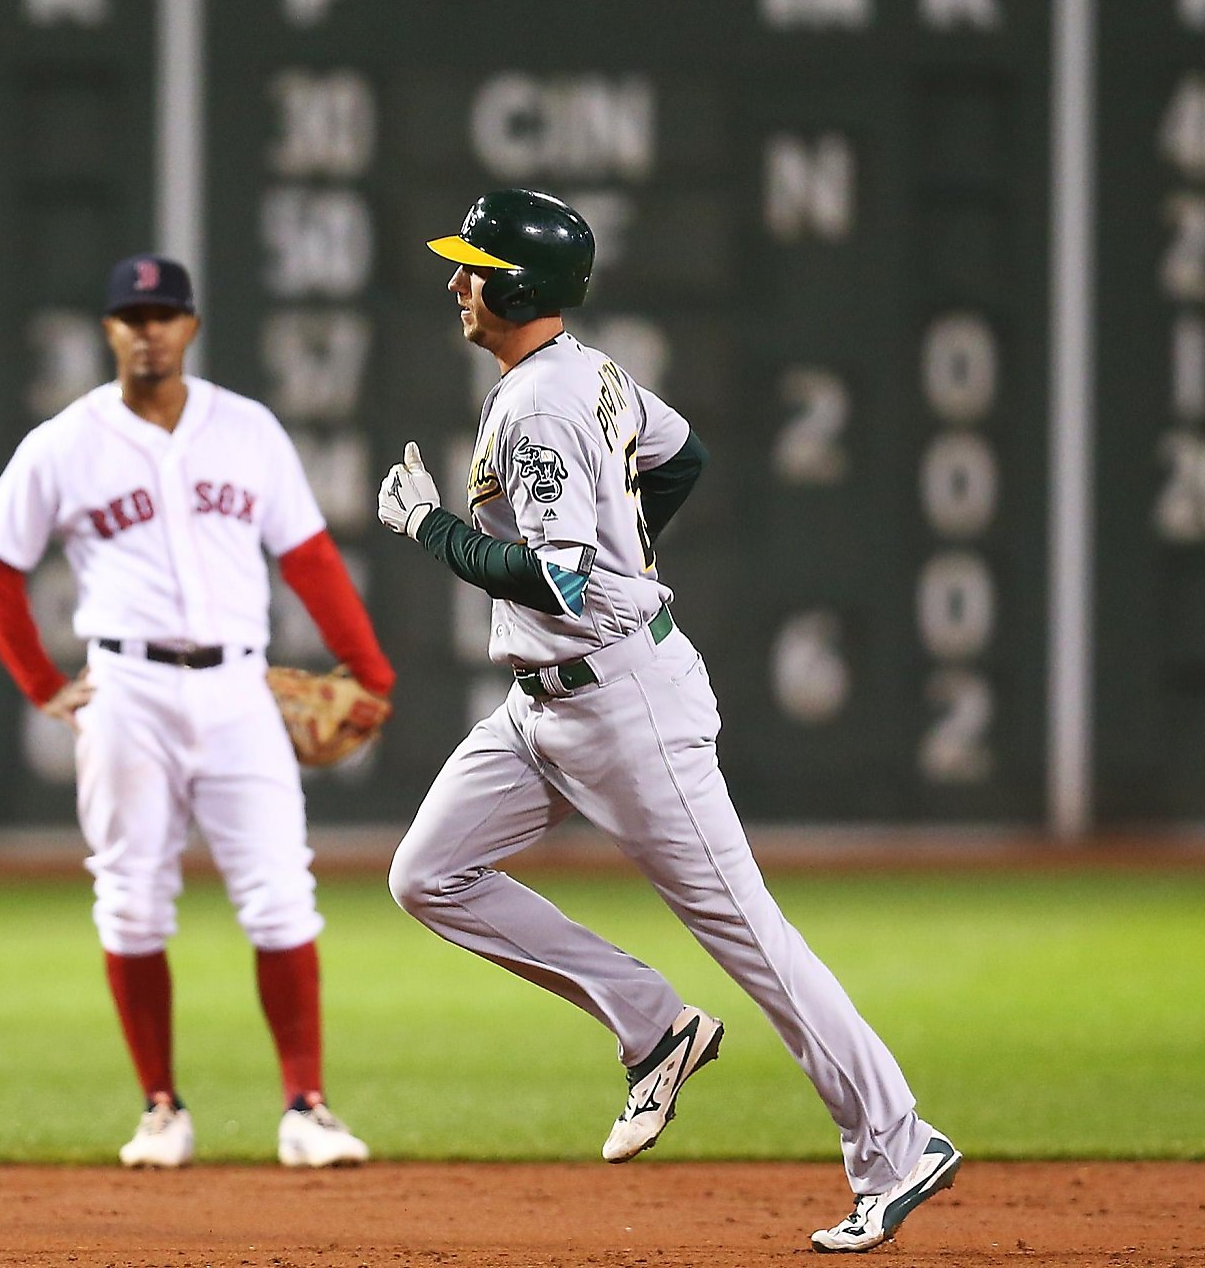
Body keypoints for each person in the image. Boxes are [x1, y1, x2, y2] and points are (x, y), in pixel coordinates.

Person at [377, 189, 962, 1253]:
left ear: (518, 285)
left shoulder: (541, 403)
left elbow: (556, 580)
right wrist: (623, 556)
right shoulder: (584, 374)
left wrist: (427, 527)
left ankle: (897, 1140)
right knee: (427, 874)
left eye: (472, 266)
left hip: (620, 704)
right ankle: (651, 1024)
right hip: (540, 709)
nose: (455, 281)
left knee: (750, 938)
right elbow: (678, 458)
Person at [0, 254, 394, 1169]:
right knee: (130, 903)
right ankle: (161, 1109)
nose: (149, 329)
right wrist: (41, 682)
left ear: (191, 326)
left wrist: (369, 665)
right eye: (132, 315)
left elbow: (311, 556)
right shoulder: (64, 443)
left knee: (282, 893)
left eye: (164, 314)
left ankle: (307, 1107)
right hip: (126, 690)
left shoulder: (247, 430)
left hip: (241, 687)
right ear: (110, 329)